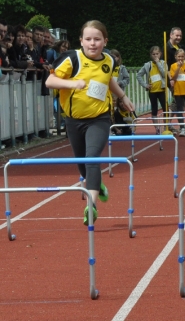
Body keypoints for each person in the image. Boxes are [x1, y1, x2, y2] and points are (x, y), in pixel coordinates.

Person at [45, 20, 135, 225]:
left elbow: (108, 80)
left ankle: (91, 206)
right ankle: (97, 184)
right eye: (88, 39)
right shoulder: (70, 59)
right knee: (82, 164)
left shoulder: (110, 61)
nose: (92, 43)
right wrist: (72, 83)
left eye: (97, 39)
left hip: (100, 118)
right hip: (73, 120)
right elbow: (50, 82)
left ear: (105, 41)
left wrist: (123, 96)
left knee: (92, 157)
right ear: (81, 41)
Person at [136, 46, 167, 134]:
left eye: (157, 54)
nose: (155, 56)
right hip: (152, 91)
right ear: (151, 55)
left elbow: (164, 74)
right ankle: (157, 128)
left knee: (165, 109)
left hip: (162, 90)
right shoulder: (147, 65)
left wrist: (158, 63)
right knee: (154, 110)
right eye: (153, 54)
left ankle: (166, 127)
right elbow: (138, 75)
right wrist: (145, 85)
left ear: (160, 54)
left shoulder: (163, 63)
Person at [109, 49, 133, 135]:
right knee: (109, 112)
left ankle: (121, 128)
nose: (112, 58)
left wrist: (119, 83)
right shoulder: (107, 68)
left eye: (114, 57)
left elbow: (127, 79)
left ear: (118, 58)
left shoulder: (122, 68)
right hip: (109, 94)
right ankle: (112, 129)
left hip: (118, 94)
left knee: (118, 112)